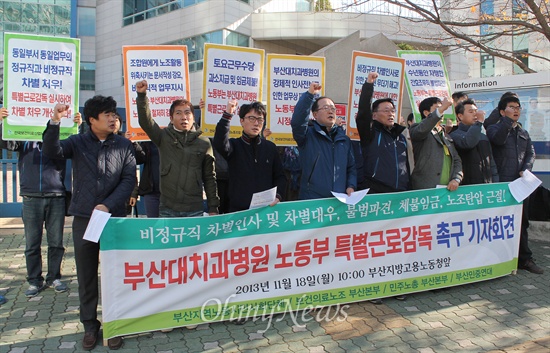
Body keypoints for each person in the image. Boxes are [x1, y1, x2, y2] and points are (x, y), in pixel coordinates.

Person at [42, 98, 136, 350]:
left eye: (115, 114)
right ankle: (90, 325)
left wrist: (108, 204)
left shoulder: (125, 145)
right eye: (107, 115)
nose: (114, 118)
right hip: (85, 218)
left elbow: (128, 180)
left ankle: (114, 325)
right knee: (86, 274)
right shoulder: (78, 142)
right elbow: (52, 152)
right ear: (92, 120)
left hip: (114, 218)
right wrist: (55, 121)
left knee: (115, 274)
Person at [0, 107, 79, 297]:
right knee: (32, 243)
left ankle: (54, 277)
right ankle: (34, 281)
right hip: (30, 196)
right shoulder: (22, 138)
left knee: (56, 242)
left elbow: (77, 145)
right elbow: (5, 143)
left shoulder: (59, 137)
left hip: (56, 195)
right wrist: (2, 123)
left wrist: (78, 124)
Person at [135, 80, 219, 217]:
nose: (184, 117)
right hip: (168, 208)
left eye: (187, 113)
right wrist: (142, 96)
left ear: (193, 116)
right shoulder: (163, 137)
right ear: (171, 118)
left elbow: (210, 177)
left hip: (194, 208)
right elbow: (146, 121)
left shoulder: (203, 142)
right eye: (178, 113)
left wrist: (213, 207)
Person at [486, 96, 542, 274]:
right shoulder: (495, 128)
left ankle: (524, 259)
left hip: (521, 184)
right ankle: (498, 259)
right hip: (503, 184)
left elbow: (530, 153)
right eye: (511, 107)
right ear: (502, 111)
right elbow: (498, 140)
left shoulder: (523, 132)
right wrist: (507, 122)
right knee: (500, 224)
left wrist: (526, 169)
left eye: (518, 107)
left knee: (522, 221)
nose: (516, 110)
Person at [213, 99, 286, 212]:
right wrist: (227, 115)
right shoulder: (234, 146)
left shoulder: (270, 148)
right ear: (242, 121)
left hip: (265, 210)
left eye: (260, 119)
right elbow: (219, 142)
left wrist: (278, 196)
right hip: (238, 212)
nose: (256, 123)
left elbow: (280, 176)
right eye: (251, 118)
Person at [291, 82, 356, 199]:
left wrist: (351, 186)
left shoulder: (344, 139)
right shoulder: (307, 135)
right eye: (326, 108)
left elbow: (351, 168)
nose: (331, 111)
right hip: (313, 201)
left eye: (333, 108)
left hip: (339, 201)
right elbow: (297, 121)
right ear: (315, 114)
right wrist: (309, 95)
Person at [356, 71, 410, 193]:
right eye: (386, 111)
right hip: (376, 193)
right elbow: (364, 112)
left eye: (392, 111)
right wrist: (369, 85)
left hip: (401, 193)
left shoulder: (400, 137)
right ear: (374, 115)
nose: (390, 114)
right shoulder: (371, 133)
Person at [409, 97, 463, 191]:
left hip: (447, 189)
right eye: (437, 108)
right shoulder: (417, 128)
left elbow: (456, 160)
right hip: (425, 189)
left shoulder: (445, 135)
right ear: (426, 113)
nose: (443, 112)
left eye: (442, 108)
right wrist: (442, 109)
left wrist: (456, 178)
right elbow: (423, 129)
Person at [450, 99, 499, 185]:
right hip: (467, 186)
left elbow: (491, 163)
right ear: (460, 116)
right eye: (471, 111)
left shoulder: (483, 136)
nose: (475, 114)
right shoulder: (455, 135)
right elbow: (468, 143)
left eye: (476, 111)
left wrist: (495, 182)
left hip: (486, 184)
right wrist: (479, 122)